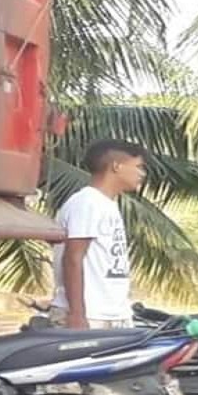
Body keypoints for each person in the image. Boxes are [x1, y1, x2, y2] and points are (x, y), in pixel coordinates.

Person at [49, 139, 147, 330]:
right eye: (138, 167)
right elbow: (73, 258)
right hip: (91, 315)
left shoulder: (106, 204)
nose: (141, 174)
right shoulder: (87, 202)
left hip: (113, 314)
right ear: (116, 166)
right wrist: (77, 314)